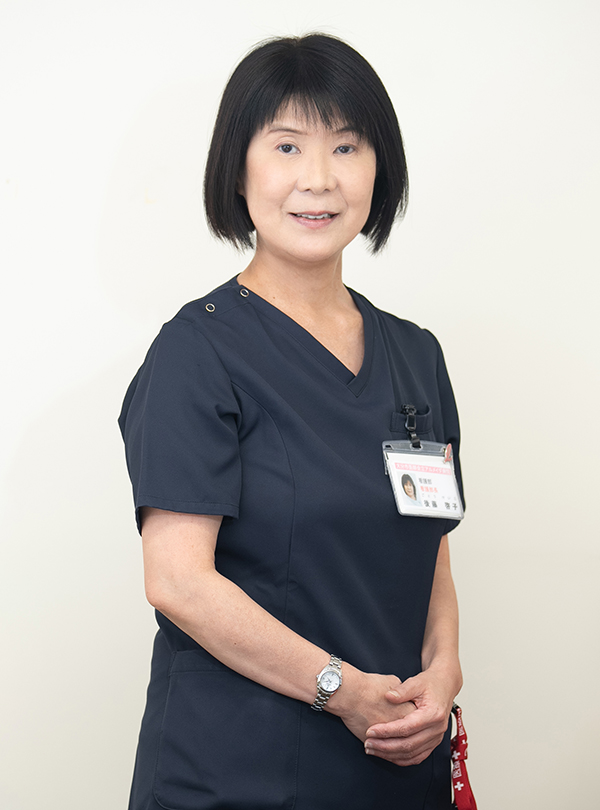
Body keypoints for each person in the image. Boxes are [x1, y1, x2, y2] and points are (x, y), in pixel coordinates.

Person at [119, 33, 465, 810]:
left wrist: (445, 669)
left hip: (394, 760)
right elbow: (177, 581)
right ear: (237, 170)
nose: (318, 178)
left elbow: (429, 548)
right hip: (237, 772)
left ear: (379, 168)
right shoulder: (197, 352)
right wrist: (340, 689)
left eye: (346, 146)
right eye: (286, 146)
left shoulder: (415, 355)